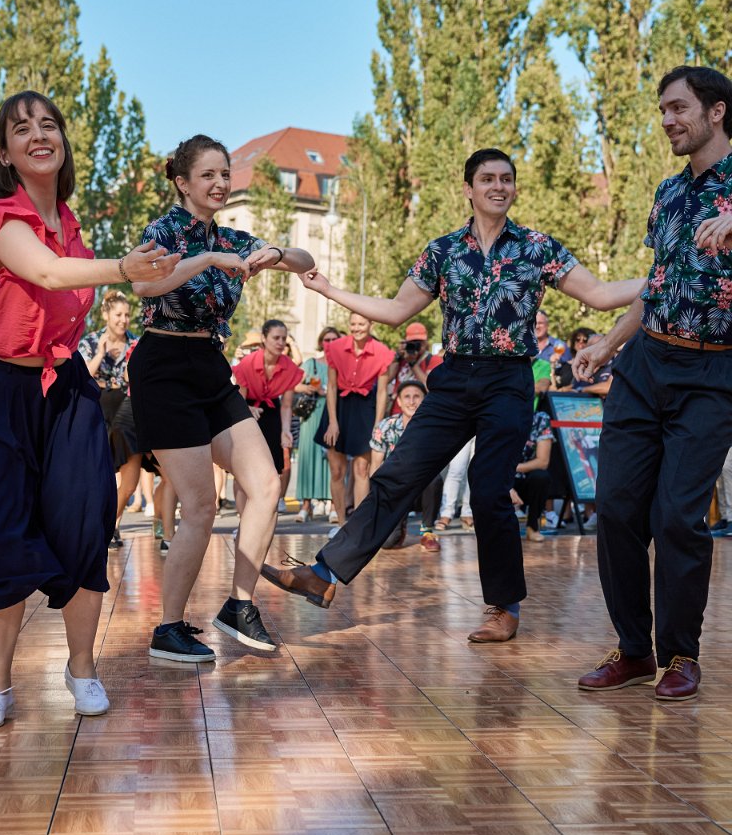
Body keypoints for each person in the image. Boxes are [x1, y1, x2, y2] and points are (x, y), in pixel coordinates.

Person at [262, 147, 644, 639]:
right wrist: (329, 290)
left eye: (506, 179)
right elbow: (396, 310)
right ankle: (325, 574)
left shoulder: (537, 247)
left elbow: (601, 294)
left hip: (508, 381)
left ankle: (504, 607)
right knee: (397, 473)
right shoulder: (443, 251)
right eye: (488, 179)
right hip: (454, 379)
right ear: (468, 188)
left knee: (488, 489)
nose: (498, 186)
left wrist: (664, 276)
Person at [0, 90, 176, 731]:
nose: (38, 135)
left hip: (66, 386)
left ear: (63, 142)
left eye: (48, 124)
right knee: (1, 537)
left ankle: (82, 669)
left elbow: (128, 278)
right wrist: (123, 267)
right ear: (6, 153)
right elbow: (49, 274)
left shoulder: (71, 225)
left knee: (85, 524)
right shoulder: (2, 220)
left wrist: (214, 260)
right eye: (22, 128)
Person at [574, 66, 732, 702]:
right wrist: (608, 343)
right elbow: (657, 285)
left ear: (716, 111)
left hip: (713, 373)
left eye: (678, 108)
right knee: (615, 509)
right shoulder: (668, 192)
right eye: (663, 110)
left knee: (677, 518)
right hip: (644, 367)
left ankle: (681, 654)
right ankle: (635, 650)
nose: (667, 120)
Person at [127, 133, 314, 662]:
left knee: (266, 484)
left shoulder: (235, 238)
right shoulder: (163, 232)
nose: (220, 183)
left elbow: (303, 259)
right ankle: (168, 628)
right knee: (201, 506)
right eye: (208, 174)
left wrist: (277, 252)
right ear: (183, 182)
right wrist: (208, 257)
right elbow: (145, 286)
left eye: (225, 174)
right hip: (163, 366)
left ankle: (239, 605)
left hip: (210, 364)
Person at [315, 313, 393, 536]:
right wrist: (332, 421)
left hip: (365, 407)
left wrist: (378, 426)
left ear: (371, 324)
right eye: (353, 324)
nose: (357, 328)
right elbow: (331, 387)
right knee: (337, 470)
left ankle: (358, 529)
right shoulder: (335, 348)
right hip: (338, 406)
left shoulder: (383, 352)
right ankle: (341, 525)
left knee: (361, 469)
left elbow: (382, 393)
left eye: (361, 324)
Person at [78, 290, 140, 548]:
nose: (123, 320)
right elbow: (82, 376)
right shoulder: (90, 342)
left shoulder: (136, 342)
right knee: (99, 475)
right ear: (106, 315)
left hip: (127, 411)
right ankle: (100, 526)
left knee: (130, 481)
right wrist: (100, 354)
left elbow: (139, 379)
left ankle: (112, 523)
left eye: (127, 315)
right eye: (118, 315)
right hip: (97, 409)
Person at [233, 318, 303, 511]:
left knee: (271, 470)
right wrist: (248, 409)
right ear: (264, 338)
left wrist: (285, 431)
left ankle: (262, 514)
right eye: (276, 338)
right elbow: (239, 399)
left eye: (284, 339)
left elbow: (286, 406)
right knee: (242, 471)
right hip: (246, 411)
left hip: (272, 412)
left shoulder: (289, 367)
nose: (281, 343)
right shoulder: (248, 363)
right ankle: (242, 519)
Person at [370, 380, 442, 552]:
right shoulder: (385, 426)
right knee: (388, 543)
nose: (411, 401)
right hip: (394, 489)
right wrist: (376, 502)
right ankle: (398, 526)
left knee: (435, 478)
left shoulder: (434, 427)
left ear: (424, 400)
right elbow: (375, 467)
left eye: (417, 397)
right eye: (407, 397)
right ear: (399, 401)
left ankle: (427, 531)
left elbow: (436, 462)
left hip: (421, 487)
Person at [295, 327, 340, 522]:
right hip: (311, 416)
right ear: (321, 342)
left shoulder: (342, 364)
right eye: (326, 339)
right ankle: (306, 506)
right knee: (308, 458)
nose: (330, 343)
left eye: (334, 339)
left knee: (333, 460)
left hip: (333, 416)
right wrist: (309, 388)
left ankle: (334, 505)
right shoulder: (311, 363)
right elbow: (293, 384)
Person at [512, 409, 553, 543]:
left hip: (524, 476)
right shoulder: (499, 411)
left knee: (541, 477)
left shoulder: (541, 418)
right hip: (499, 474)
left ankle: (533, 527)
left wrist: (513, 468)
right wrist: (505, 484)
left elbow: (543, 462)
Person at [386, 322, 443, 412]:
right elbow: (387, 379)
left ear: (426, 342)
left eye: (420, 342)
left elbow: (429, 386)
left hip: (421, 412)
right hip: (398, 412)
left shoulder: (433, 360)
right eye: (412, 342)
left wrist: (413, 363)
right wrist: (397, 357)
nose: (416, 345)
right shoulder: (401, 358)